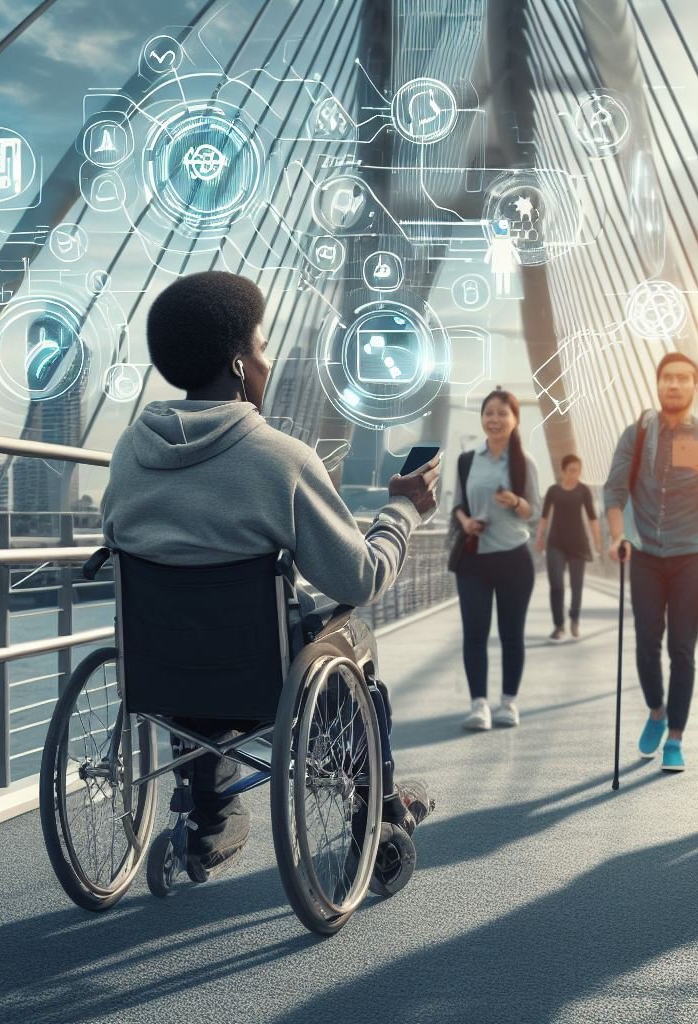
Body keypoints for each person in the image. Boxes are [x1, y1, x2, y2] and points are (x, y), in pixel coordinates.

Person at [101, 271, 439, 877]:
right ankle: (379, 812)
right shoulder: (280, 459)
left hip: (162, 675)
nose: (267, 360)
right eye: (260, 347)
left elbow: (116, 535)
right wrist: (403, 510)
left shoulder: (129, 451)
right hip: (261, 683)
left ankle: (209, 815)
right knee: (350, 634)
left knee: (195, 636)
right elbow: (359, 578)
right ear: (237, 365)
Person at [603, 352, 698, 772]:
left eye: (683, 379)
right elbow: (615, 489)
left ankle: (675, 738)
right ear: (658, 384)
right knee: (645, 644)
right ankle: (656, 711)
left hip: (690, 551)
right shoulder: (638, 433)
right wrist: (618, 534)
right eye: (667, 378)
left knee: (682, 648)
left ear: (696, 386)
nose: (674, 385)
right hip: (643, 550)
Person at [451, 388, 540, 731]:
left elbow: (533, 511)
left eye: (502, 413)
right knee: (474, 633)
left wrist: (515, 502)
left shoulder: (524, 462)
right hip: (474, 559)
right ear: (482, 418)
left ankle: (508, 703)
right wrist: (466, 523)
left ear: (515, 419)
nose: (495, 419)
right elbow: (458, 504)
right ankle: (478, 706)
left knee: (510, 634)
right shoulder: (468, 460)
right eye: (489, 413)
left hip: (513, 560)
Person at [536, 454, 601, 641]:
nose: (575, 474)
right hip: (556, 543)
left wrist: (598, 543)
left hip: (578, 544)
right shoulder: (553, 491)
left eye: (578, 471)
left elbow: (592, 518)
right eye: (571, 470)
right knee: (556, 584)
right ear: (563, 470)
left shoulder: (583, 491)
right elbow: (544, 517)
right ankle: (559, 625)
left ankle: (574, 620)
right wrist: (540, 537)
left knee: (576, 585)